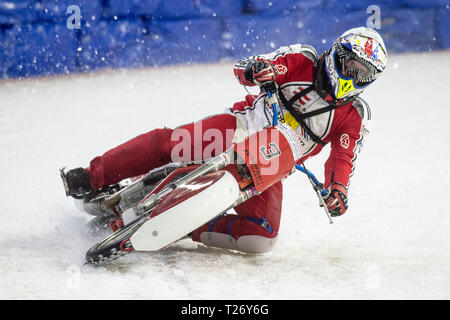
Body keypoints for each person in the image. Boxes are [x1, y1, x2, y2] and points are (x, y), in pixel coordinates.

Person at [63, 27, 388, 254]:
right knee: (171, 143)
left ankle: (182, 225)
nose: (353, 76)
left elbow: (342, 159)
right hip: (239, 127)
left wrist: (338, 190)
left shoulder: (355, 113)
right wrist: (259, 71)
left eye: (363, 74)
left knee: (262, 237)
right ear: (337, 53)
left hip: (270, 164)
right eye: (350, 65)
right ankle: (93, 176)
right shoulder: (303, 58)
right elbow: (250, 66)